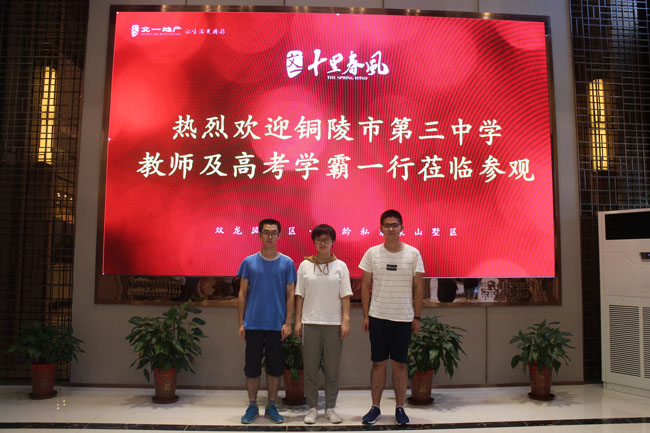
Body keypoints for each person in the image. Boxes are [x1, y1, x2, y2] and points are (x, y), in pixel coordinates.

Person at [359, 210, 424, 425]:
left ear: (402, 228)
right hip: (378, 316)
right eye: (387, 225)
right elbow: (365, 285)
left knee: (400, 364)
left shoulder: (413, 253)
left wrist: (417, 317)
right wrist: (366, 315)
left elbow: (419, 287)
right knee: (378, 363)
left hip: (403, 317)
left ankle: (399, 408)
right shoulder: (372, 253)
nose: (391, 229)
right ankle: (375, 407)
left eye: (395, 225)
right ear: (381, 229)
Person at [237, 218, 296, 424]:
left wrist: (288, 322)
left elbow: (291, 294)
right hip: (253, 324)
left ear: (279, 236)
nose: (270, 236)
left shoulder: (287, 263)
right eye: (266, 232)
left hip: (276, 326)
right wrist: (241, 322)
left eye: (273, 232)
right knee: (252, 368)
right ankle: (252, 405)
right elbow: (242, 294)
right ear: (259, 235)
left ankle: (271, 405)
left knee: (275, 368)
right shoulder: (249, 262)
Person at [295, 224, 352, 424]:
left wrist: (345, 320)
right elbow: (299, 295)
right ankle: (312, 408)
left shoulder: (340, 266)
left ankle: (330, 408)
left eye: (326, 239)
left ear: (333, 242)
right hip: (310, 322)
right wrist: (297, 321)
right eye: (319, 239)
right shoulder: (304, 265)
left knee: (332, 370)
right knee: (310, 369)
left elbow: (345, 296)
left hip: (333, 323)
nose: (323, 243)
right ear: (314, 242)